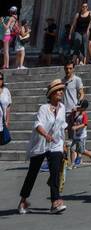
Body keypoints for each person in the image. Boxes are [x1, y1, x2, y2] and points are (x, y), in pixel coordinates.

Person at [18, 79, 67, 214]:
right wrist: (46, 135)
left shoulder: (62, 108)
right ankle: (23, 200)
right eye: (57, 90)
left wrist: (64, 144)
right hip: (41, 144)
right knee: (32, 173)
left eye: (61, 90)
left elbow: (63, 127)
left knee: (55, 172)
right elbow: (38, 125)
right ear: (51, 94)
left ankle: (55, 202)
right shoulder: (43, 108)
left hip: (56, 144)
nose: (60, 92)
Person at [68, 98, 91, 166]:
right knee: (72, 149)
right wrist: (72, 113)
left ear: (84, 108)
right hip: (76, 135)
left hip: (81, 136)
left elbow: (84, 124)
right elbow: (72, 120)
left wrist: (76, 127)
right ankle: (72, 164)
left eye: (80, 107)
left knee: (82, 151)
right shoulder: (76, 112)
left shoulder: (84, 115)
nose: (78, 108)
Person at [62, 58, 84, 122]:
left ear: (73, 69)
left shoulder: (77, 79)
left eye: (70, 68)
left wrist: (77, 106)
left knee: (72, 131)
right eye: (66, 68)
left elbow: (82, 94)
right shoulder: (61, 81)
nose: (68, 70)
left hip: (73, 111)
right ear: (64, 69)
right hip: (63, 111)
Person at [0, 70, 12, 144]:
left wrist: (7, 121)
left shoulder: (6, 91)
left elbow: (8, 106)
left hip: (2, 123)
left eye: (1, 79)